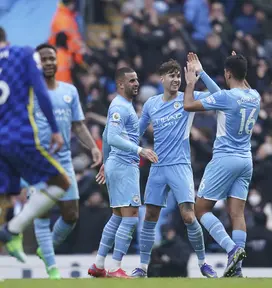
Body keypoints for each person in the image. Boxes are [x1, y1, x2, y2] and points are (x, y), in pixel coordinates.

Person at [130, 57, 220, 278]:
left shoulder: (187, 98)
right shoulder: (151, 104)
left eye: (178, 75)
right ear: (162, 79)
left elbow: (219, 95)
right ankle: (142, 267)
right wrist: (130, 151)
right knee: (150, 215)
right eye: (172, 75)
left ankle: (203, 263)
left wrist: (199, 75)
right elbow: (137, 132)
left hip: (180, 166)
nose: (176, 79)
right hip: (158, 167)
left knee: (189, 216)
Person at [26, 43, 102, 279]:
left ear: (56, 61)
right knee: (41, 213)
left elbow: (78, 125)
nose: (48, 62)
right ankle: (52, 269)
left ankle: (46, 248)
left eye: (51, 58)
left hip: (63, 160)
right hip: (37, 160)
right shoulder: (28, 92)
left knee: (71, 215)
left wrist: (93, 149)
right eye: (43, 59)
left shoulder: (69, 91)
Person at [183, 53, 261, 277]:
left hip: (224, 160)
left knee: (200, 209)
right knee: (237, 214)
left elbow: (189, 105)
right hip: (246, 160)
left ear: (227, 74)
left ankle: (231, 249)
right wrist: (203, 72)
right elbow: (228, 93)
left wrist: (191, 82)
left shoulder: (227, 98)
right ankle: (237, 272)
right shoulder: (254, 96)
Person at [0, 27, 71, 263]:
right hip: (18, 135)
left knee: (8, 195)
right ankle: (12, 229)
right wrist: (54, 129)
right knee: (61, 183)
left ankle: (11, 234)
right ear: (6, 39)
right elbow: (40, 90)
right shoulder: (23, 53)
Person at [88, 67, 158, 278]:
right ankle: (116, 267)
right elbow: (113, 137)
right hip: (124, 166)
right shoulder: (120, 106)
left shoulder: (121, 105)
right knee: (131, 217)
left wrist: (105, 161)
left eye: (137, 79)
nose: (136, 83)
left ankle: (99, 264)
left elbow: (106, 132)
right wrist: (140, 150)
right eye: (131, 80)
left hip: (116, 164)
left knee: (117, 216)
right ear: (120, 84)